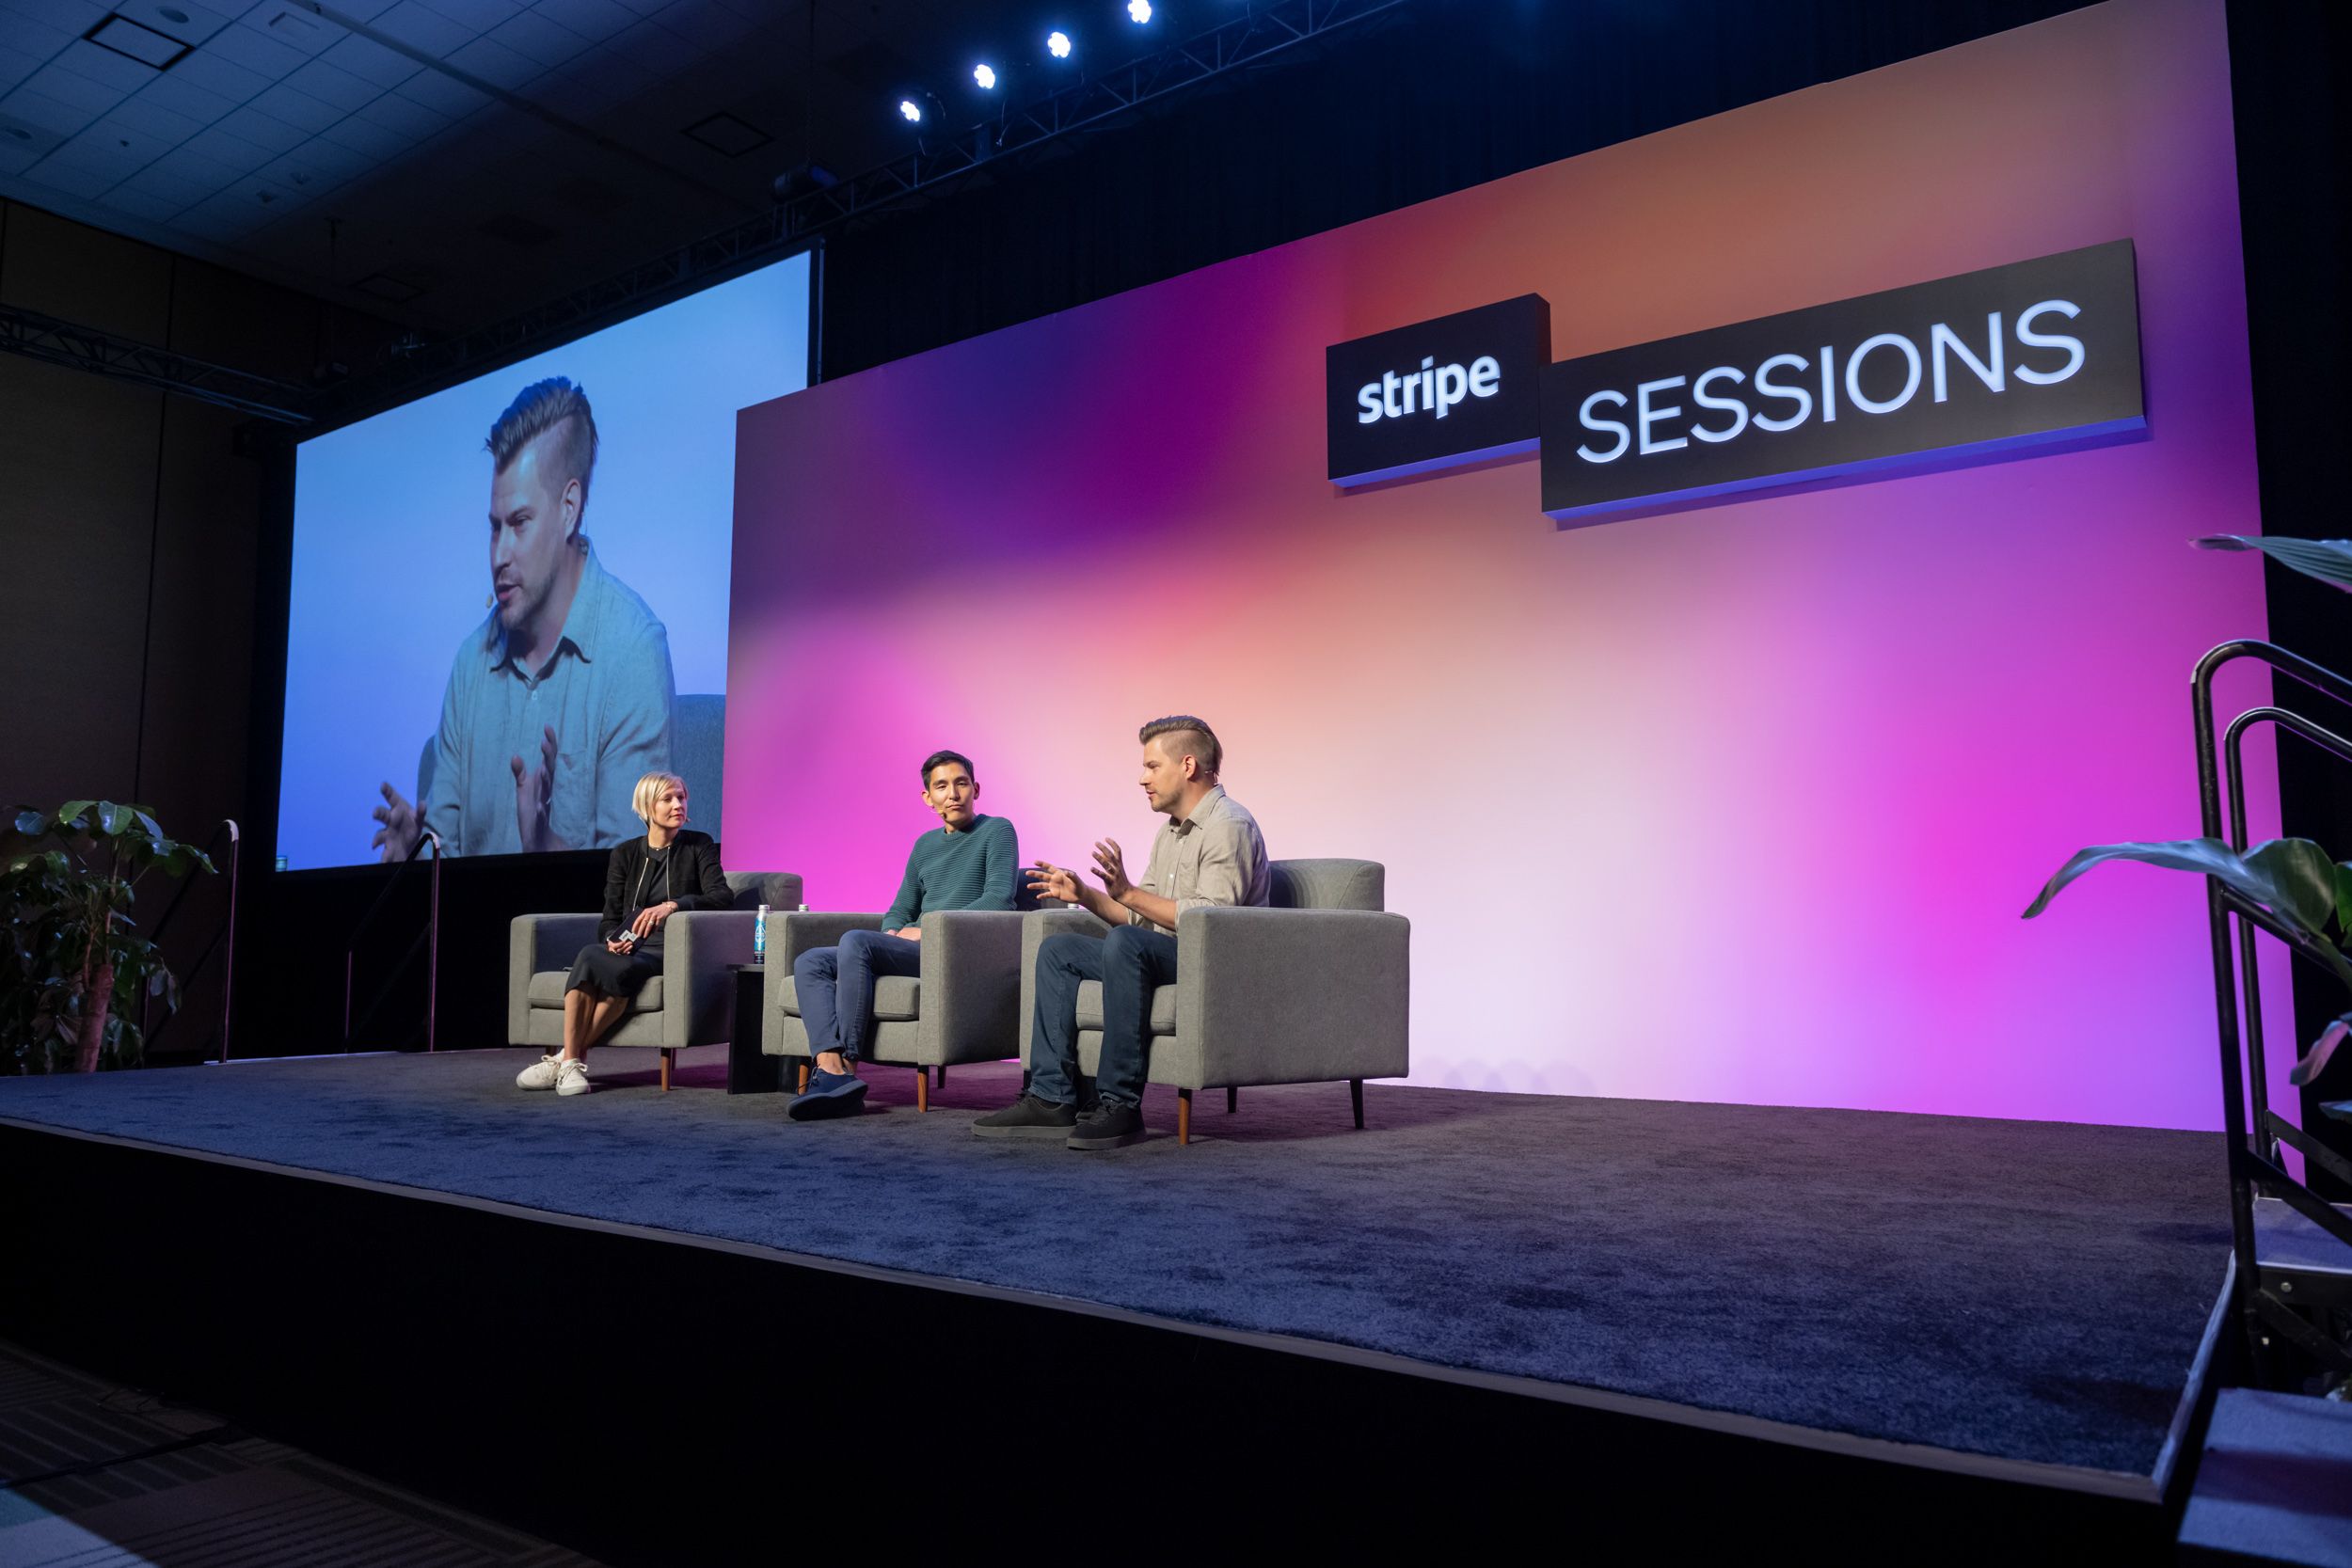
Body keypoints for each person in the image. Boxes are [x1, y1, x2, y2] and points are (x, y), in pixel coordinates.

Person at [371, 376, 676, 861]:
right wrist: (414, 858)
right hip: (468, 937)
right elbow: (442, 858)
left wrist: (544, 848)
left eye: (518, 523)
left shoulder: (632, 651)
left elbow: (632, 892)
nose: (499, 555)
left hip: (575, 939)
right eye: (494, 528)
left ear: (569, 508)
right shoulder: (472, 662)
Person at [975, 716, 1268, 1150]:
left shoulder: (1229, 825)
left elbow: (1214, 920)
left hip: (1214, 963)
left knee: (1127, 946)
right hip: (1165, 954)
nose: (1142, 778)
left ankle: (1121, 1104)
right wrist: (1087, 894)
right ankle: (1051, 1097)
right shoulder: (1169, 833)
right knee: (1059, 951)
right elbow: (1139, 917)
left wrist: (1130, 892)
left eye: (1152, 766)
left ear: (1187, 766)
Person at [787, 750, 1020, 1119]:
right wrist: (894, 932)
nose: (953, 794)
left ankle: (847, 1066)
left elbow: (999, 900)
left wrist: (926, 930)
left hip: (953, 950)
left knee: (856, 941)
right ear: (928, 798)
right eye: (941, 787)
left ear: (976, 789)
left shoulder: (998, 830)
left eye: (961, 784)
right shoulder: (924, 845)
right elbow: (899, 908)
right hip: (913, 949)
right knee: (810, 961)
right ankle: (830, 1067)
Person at [516, 770, 729, 1095]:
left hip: (671, 949)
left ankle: (566, 1059)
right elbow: (610, 917)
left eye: (681, 797)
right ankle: (569, 1064)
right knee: (602, 962)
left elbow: (721, 897)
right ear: (647, 807)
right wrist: (611, 940)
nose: (678, 805)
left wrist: (673, 906)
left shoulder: (699, 845)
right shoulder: (625, 854)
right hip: (630, 950)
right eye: (668, 798)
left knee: (595, 960)